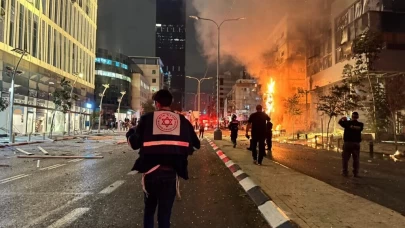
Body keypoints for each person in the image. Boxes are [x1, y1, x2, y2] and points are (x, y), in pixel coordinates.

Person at [126, 89, 200, 228]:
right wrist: (181, 152)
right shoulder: (182, 120)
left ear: (157, 104)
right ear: (170, 103)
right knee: (164, 216)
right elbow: (196, 146)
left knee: (149, 211)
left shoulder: (147, 119)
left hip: (150, 173)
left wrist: (130, 132)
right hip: (170, 173)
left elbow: (134, 144)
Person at [338, 112, 364, 177]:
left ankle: (345, 172)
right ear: (357, 117)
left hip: (347, 143)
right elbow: (360, 129)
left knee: (345, 159)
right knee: (356, 159)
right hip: (356, 144)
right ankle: (355, 173)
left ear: (352, 116)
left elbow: (340, 122)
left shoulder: (347, 123)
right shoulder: (360, 124)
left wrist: (343, 118)